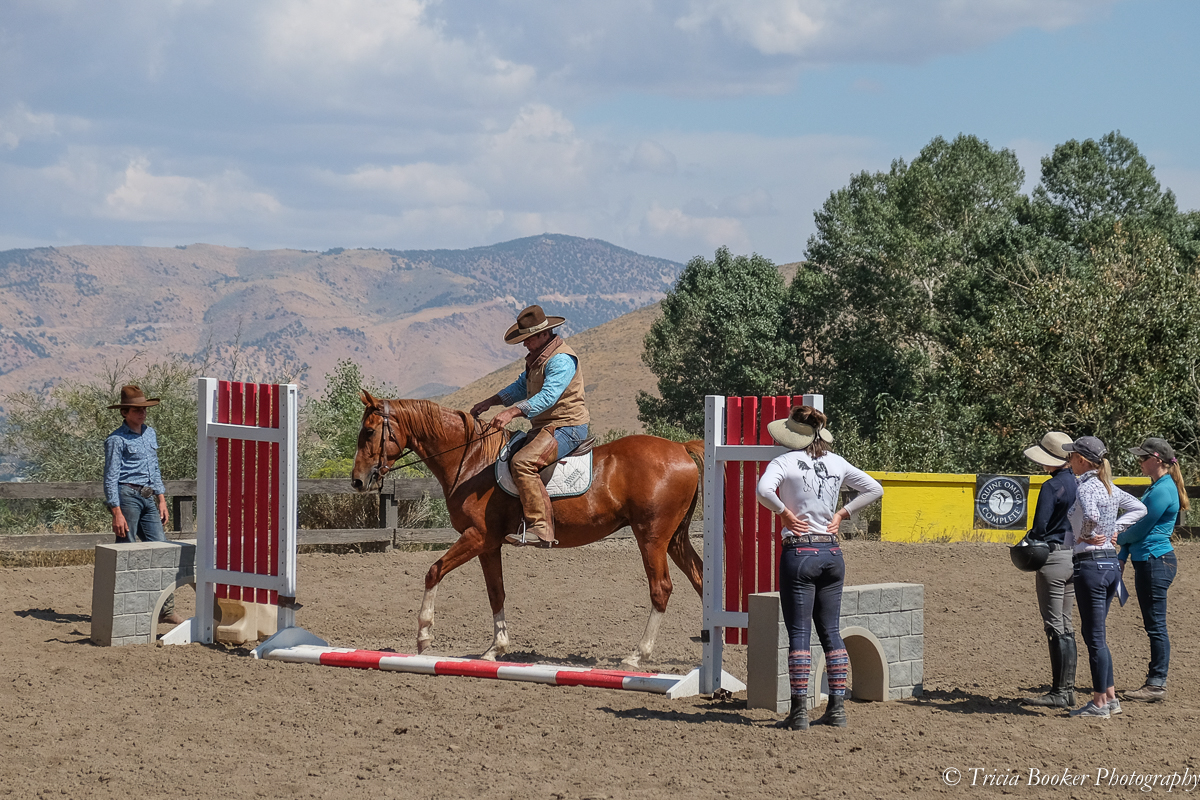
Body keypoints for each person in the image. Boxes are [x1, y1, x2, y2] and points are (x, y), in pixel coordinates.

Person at [755, 405, 883, 731]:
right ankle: (837, 709)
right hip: (831, 553)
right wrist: (842, 514)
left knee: (799, 634)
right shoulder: (836, 462)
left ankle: (798, 713)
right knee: (831, 632)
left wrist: (783, 513)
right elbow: (874, 488)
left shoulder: (782, 462)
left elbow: (763, 491)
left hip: (798, 554)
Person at [471, 305, 590, 549]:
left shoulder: (561, 360)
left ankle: (541, 528)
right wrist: (490, 402)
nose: (525, 345)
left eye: (528, 339)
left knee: (522, 462)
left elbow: (548, 397)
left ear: (544, 335)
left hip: (567, 427)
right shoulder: (537, 360)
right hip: (545, 427)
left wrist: (511, 412)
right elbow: (518, 388)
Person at [1061, 435, 1146, 719]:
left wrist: (1086, 532)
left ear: (1082, 461)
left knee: (1093, 636)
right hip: (1109, 564)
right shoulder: (1109, 486)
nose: (1069, 460)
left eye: (1072, 456)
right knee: (1098, 634)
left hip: (1091, 565)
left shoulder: (1086, 488)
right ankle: (1109, 695)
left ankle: (1099, 702)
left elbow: (1091, 516)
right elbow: (1139, 508)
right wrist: (1116, 529)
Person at [104, 385, 181, 625]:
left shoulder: (150, 434)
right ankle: (126, 609)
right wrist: (116, 511)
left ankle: (165, 610)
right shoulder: (116, 440)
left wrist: (161, 498)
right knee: (127, 550)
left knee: (162, 548)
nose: (142, 413)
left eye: (144, 409)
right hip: (127, 495)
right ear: (125, 412)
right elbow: (110, 476)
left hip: (148, 495)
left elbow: (155, 468)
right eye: (137, 409)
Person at [1117, 438, 1186, 703]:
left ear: (1157, 460)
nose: (1139, 462)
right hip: (1151, 560)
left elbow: (1139, 529)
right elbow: (1135, 527)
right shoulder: (1158, 487)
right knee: (1153, 624)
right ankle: (1156, 681)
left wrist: (1117, 538)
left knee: (1156, 625)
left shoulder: (1161, 490)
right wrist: (1123, 549)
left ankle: (1157, 683)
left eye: (1143, 458)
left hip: (1154, 561)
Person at [1019, 432, 1080, 708]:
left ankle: (1060, 691)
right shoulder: (1079, 483)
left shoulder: (1050, 487)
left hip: (1053, 559)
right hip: (1074, 557)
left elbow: (1040, 528)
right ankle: (1068, 688)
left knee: (1054, 625)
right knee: (1067, 624)